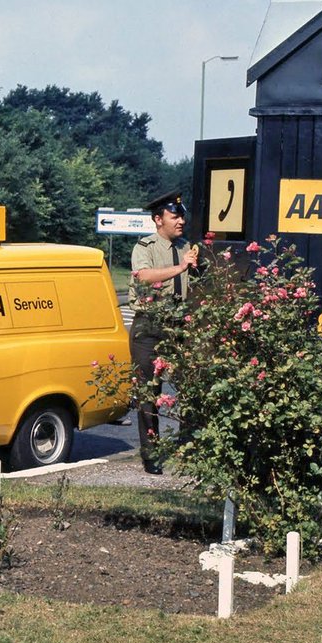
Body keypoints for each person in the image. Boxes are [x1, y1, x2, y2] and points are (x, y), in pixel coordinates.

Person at [128, 190, 198, 474]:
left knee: (191, 387)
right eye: (174, 216)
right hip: (150, 325)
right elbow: (143, 275)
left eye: (182, 215)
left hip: (179, 324)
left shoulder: (186, 246)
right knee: (148, 392)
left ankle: (188, 448)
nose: (180, 221)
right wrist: (180, 266)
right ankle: (151, 455)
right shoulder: (144, 247)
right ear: (158, 220)